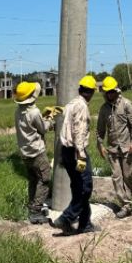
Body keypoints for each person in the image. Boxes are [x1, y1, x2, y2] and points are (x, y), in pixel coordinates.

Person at [50, 75, 98, 235]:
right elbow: (79, 130)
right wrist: (81, 154)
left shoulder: (71, 103)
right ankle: (67, 218)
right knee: (85, 188)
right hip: (76, 151)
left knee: (78, 187)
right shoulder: (82, 107)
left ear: (80, 90)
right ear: (91, 92)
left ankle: (85, 224)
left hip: (67, 150)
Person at [14, 81, 61, 224]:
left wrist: (44, 116)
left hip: (25, 153)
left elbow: (32, 125)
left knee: (33, 179)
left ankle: (32, 205)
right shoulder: (34, 112)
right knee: (45, 179)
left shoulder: (18, 111)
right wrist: (51, 118)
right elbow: (43, 128)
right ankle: (35, 211)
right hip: (36, 152)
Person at [96, 76, 132, 218]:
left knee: (128, 175)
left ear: (116, 91)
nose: (109, 94)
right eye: (107, 92)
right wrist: (99, 144)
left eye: (111, 92)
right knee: (117, 177)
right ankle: (126, 205)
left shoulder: (126, 104)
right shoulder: (104, 109)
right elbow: (100, 129)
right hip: (113, 149)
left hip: (127, 147)